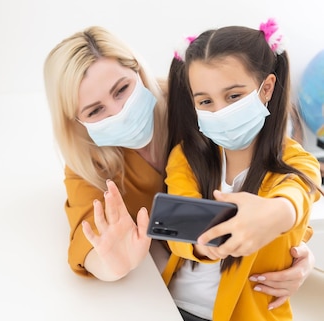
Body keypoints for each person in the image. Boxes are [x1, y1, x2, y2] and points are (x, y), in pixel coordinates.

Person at [42, 25, 316, 309]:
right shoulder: (88, 165)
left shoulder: (201, 106)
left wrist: (297, 249)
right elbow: (88, 240)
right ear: (77, 121)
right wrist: (113, 265)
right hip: (176, 290)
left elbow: (286, 176)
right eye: (95, 110)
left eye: (122, 89)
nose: (118, 111)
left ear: (138, 71)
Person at [162, 19, 321, 321]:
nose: (220, 111)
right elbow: (177, 231)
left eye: (233, 96)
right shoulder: (186, 156)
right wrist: (201, 244)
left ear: (267, 88)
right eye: (205, 101)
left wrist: (277, 214)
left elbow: (297, 196)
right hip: (172, 304)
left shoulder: (298, 162)